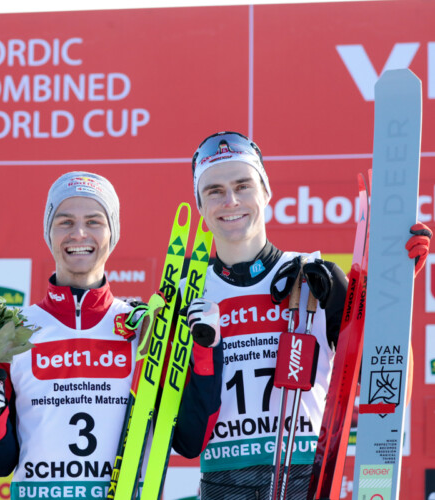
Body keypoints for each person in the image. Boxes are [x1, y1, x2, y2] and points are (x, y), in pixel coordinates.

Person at [183, 131, 431, 499]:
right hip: (222, 482)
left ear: (266, 192)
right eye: (214, 191)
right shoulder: (185, 294)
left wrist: (390, 299)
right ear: (200, 207)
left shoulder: (317, 277)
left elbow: (387, 391)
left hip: (307, 478)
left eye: (243, 185)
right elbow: (186, 438)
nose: (230, 200)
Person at [0, 171, 223, 498]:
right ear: (48, 231)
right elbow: (0, 463)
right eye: (65, 222)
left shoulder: (145, 328)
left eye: (94, 221)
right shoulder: (11, 330)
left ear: (112, 232)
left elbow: (190, 440)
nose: (79, 234)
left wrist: (207, 349)